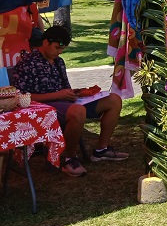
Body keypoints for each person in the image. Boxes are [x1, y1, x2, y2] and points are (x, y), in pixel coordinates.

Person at [14, 26, 128, 177]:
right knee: (78, 111)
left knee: (114, 100)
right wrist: (58, 94)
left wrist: (80, 92)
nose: (59, 52)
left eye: (62, 49)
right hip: (44, 106)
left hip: (64, 102)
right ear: (46, 42)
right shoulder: (27, 63)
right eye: (57, 48)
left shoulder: (58, 62)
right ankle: (69, 158)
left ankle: (101, 150)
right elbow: (22, 97)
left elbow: (65, 89)